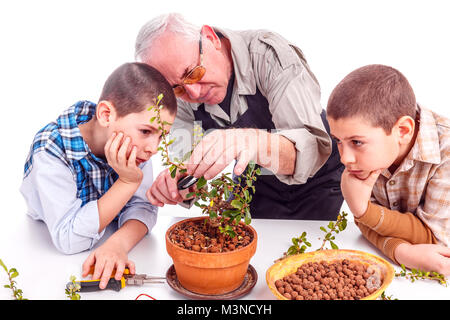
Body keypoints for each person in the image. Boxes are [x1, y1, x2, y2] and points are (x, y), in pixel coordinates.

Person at [134, 13, 344, 220]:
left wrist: (251, 140)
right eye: (178, 89)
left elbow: (312, 153)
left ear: (210, 38)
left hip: (318, 181)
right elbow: (187, 169)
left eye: (193, 72)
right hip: (253, 182)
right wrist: (178, 184)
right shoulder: (178, 93)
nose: (194, 93)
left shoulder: (269, 56)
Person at [20, 62, 177, 288]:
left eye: (162, 136)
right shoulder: (50, 150)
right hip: (43, 257)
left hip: (104, 235)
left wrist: (117, 244)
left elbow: (143, 206)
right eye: (146, 131)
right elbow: (68, 239)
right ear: (105, 115)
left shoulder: (134, 145)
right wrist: (127, 182)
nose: (153, 147)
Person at [327, 64, 450, 275]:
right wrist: (401, 252)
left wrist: (364, 212)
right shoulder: (373, 152)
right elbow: (367, 223)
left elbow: (435, 240)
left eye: (356, 142)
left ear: (402, 131)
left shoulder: (445, 152)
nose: (345, 158)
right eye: (338, 140)